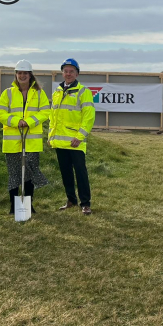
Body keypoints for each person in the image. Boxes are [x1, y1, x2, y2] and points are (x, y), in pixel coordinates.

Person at [0, 60, 51, 214]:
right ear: (16, 75)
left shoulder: (39, 93)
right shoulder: (8, 93)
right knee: (14, 174)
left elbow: (45, 111)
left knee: (29, 174)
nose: (22, 75)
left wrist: (29, 122)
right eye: (19, 73)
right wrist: (16, 121)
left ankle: (28, 205)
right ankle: (13, 207)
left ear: (30, 74)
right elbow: (0, 112)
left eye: (25, 73)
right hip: (12, 142)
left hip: (32, 142)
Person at [49, 58, 96, 215]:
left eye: (71, 71)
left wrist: (80, 136)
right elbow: (53, 117)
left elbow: (89, 117)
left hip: (75, 142)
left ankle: (85, 203)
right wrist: (51, 136)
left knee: (80, 172)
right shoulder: (57, 92)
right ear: (62, 73)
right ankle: (71, 200)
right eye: (66, 71)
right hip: (60, 142)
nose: (68, 74)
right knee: (65, 172)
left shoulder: (84, 92)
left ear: (77, 73)